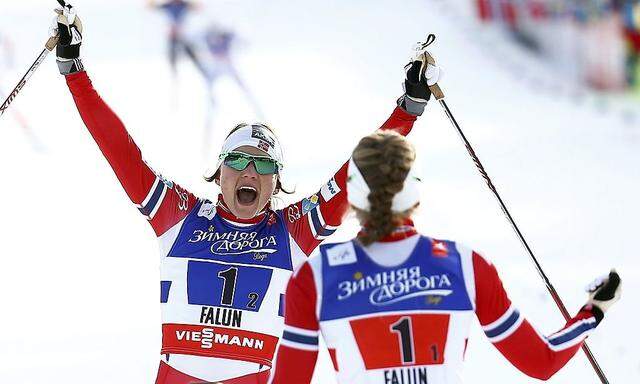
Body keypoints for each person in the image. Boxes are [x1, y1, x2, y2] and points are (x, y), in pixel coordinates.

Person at [51, 4, 440, 384]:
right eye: (238, 161)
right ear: (219, 173)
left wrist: (408, 107)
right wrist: (74, 71)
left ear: (276, 183)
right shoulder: (178, 215)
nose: (250, 171)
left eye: (265, 165)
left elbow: (358, 171)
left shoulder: (294, 231)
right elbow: (118, 148)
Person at [269, 131, 622, 383]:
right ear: (415, 191)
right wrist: (592, 312)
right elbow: (542, 361)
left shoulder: (316, 275)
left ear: (353, 197)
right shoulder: (465, 265)